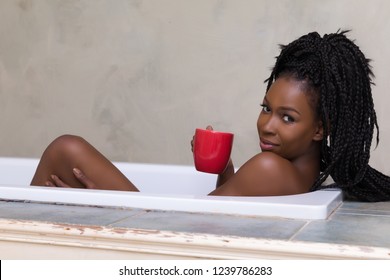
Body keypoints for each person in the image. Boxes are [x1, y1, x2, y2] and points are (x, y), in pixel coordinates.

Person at [30, 30, 390, 201]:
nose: (267, 124)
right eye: (266, 108)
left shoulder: (271, 167)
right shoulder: (302, 169)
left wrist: (105, 202)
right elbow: (221, 217)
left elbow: (190, 226)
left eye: (287, 117)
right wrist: (224, 171)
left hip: (168, 242)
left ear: (320, 129)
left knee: (66, 149)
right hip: (176, 235)